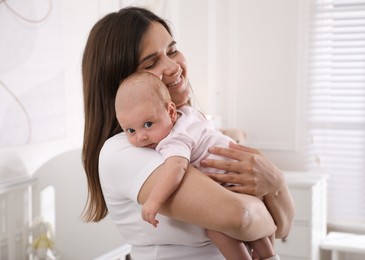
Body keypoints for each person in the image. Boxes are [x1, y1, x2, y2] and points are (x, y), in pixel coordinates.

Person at [82, 6, 295, 260]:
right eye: (151, 62)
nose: (173, 66)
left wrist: (276, 181)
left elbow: (283, 227)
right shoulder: (123, 151)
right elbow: (241, 216)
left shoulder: (191, 128)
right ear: (122, 83)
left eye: (172, 51)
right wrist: (267, 198)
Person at [115, 71, 279, 260]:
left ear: (170, 112)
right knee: (258, 232)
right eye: (130, 130)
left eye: (148, 124)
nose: (141, 137)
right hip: (243, 174)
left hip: (229, 180)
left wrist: (154, 201)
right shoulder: (189, 114)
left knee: (216, 228)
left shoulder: (174, 139)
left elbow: (176, 168)